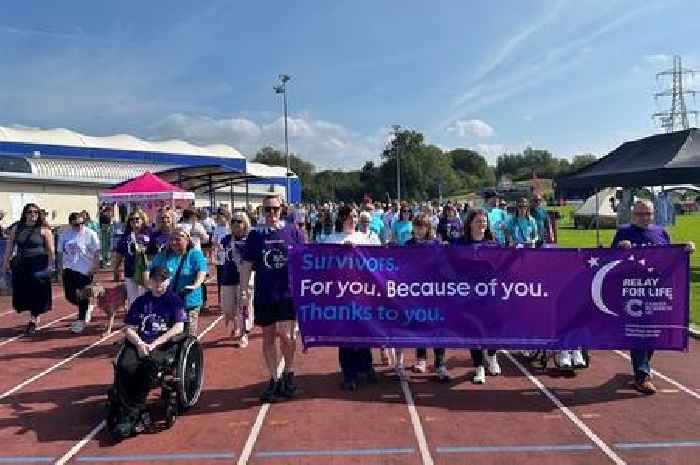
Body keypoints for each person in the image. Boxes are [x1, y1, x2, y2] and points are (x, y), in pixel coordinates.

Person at [612, 199, 695, 394]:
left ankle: (642, 367)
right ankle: (642, 376)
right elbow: (611, 259)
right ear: (633, 215)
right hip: (633, 291)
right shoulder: (624, 232)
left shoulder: (660, 232)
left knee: (652, 332)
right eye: (640, 214)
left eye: (648, 214)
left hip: (656, 291)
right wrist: (620, 248)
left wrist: (686, 248)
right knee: (639, 331)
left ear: (653, 214)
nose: (644, 218)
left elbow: (670, 254)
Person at [239, 195, 304, 402]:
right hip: (264, 292)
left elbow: (307, 258)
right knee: (268, 337)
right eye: (267, 209)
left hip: (287, 293)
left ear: (281, 209)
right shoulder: (255, 236)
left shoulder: (293, 231)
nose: (271, 213)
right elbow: (247, 264)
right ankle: (274, 378)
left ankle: (288, 373)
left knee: (287, 336)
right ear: (261, 211)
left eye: (275, 209)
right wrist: (243, 290)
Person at [110, 266, 187, 439]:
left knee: (148, 367)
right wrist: (139, 343)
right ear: (150, 282)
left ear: (168, 281)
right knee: (123, 365)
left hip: (162, 344)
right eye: (156, 280)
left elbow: (179, 327)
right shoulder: (140, 301)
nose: (159, 284)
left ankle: (132, 413)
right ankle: (128, 410)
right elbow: (128, 328)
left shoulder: (174, 300)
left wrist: (155, 343)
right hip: (140, 342)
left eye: (163, 280)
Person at [323, 205, 381, 391]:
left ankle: (366, 366)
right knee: (346, 334)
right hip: (341, 294)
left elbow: (379, 263)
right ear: (341, 219)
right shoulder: (331, 239)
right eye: (348, 216)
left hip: (364, 292)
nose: (352, 219)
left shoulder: (367, 239)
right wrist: (342, 251)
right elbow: (323, 266)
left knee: (364, 330)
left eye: (354, 216)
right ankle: (349, 373)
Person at [459, 209, 502, 384]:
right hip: (469, 294)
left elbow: (502, 265)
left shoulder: (493, 243)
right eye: (478, 221)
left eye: (484, 221)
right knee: (473, 330)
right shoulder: (461, 244)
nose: (482, 224)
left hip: (490, 294)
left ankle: (492, 356)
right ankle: (479, 367)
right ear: (470, 224)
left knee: (494, 329)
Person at [1, 204, 55, 335]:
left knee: (37, 291)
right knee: (23, 292)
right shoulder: (16, 228)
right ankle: (32, 313)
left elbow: (51, 250)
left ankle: (34, 319)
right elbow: (9, 247)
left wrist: (50, 265)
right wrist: (5, 262)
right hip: (21, 263)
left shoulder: (44, 230)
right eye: (30, 212)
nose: (33, 214)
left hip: (38, 264)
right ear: (25, 213)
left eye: (36, 212)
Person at [407, 214, 449, 381]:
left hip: (435, 292)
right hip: (416, 292)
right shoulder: (408, 245)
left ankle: (439, 364)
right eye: (416, 226)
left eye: (422, 226)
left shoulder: (436, 244)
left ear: (428, 228)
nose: (419, 229)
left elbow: (446, 265)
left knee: (438, 327)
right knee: (419, 325)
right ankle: (421, 359)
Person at [147, 228, 208, 335]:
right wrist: (150, 285)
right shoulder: (163, 255)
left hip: (189, 302)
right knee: (168, 333)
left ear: (187, 240)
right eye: (171, 239)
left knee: (188, 334)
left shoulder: (195, 254)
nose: (174, 242)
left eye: (178, 239)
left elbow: (201, 271)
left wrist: (196, 285)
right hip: (169, 301)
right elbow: (149, 270)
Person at [59, 212, 101, 333]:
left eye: (82, 223)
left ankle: (80, 321)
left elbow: (97, 252)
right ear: (71, 224)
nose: (80, 226)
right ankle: (87, 307)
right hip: (69, 268)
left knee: (82, 296)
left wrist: (95, 267)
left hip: (85, 270)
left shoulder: (90, 234)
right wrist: (60, 269)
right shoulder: (65, 234)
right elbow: (60, 252)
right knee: (69, 296)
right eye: (76, 224)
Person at [219, 212, 251, 347]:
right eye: (233, 221)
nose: (236, 224)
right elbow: (220, 255)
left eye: (239, 221)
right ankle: (236, 323)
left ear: (245, 224)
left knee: (243, 306)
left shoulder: (250, 239)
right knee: (228, 309)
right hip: (228, 276)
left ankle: (244, 334)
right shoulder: (226, 239)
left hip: (244, 277)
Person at [113, 209, 151, 307]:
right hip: (130, 272)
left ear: (143, 219)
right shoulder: (125, 237)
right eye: (131, 219)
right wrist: (116, 268)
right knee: (133, 300)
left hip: (147, 272)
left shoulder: (150, 234)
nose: (134, 221)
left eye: (137, 218)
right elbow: (119, 253)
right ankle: (134, 320)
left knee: (147, 297)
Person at [211, 208, 232, 302]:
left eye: (221, 216)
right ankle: (221, 299)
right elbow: (214, 241)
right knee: (220, 279)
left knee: (229, 278)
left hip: (230, 257)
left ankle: (230, 298)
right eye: (218, 217)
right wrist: (215, 249)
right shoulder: (217, 228)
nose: (219, 218)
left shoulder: (230, 228)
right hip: (220, 257)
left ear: (226, 217)